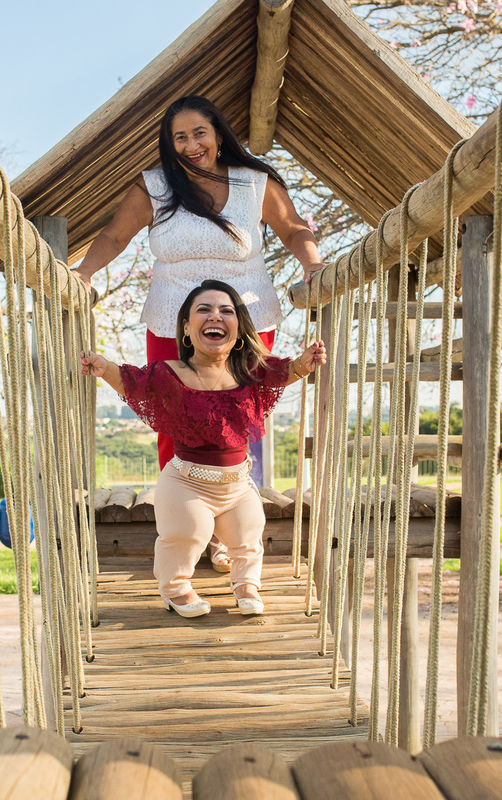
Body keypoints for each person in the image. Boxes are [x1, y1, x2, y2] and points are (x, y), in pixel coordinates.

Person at [71, 95, 327, 571]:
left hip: (244, 319)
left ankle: (229, 531)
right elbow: (112, 236)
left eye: (199, 133)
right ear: (169, 144)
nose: (191, 145)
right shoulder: (154, 186)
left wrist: (313, 265)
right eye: (180, 137)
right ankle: (184, 527)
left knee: (236, 421)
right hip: (173, 320)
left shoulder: (254, 183)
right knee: (174, 420)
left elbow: (294, 229)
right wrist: (84, 271)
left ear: (218, 134)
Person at [80, 281, 326, 617]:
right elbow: (131, 380)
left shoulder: (250, 371)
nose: (216, 316)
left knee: (249, 532)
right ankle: (175, 588)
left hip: (237, 486)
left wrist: (304, 362)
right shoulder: (170, 373)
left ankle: (246, 584)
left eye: (226, 311)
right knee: (186, 534)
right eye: (204, 310)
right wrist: (103, 366)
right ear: (186, 328)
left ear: (238, 328)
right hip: (186, 484)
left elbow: (285, 372)